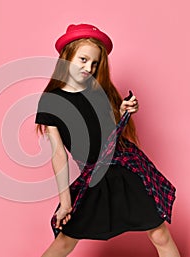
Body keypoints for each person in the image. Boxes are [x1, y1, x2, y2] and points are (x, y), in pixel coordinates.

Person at [35, 24, 180, 257]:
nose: (88, 68)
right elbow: (58, 154)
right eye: (82, 59)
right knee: (64, 243)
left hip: (129, 168)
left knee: (160, 234)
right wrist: (65, 201)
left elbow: (109, 133)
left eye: (94, 63)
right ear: (66, 56)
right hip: (95, 177)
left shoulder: (98, 90)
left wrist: (123, 110)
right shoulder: (52, 101)